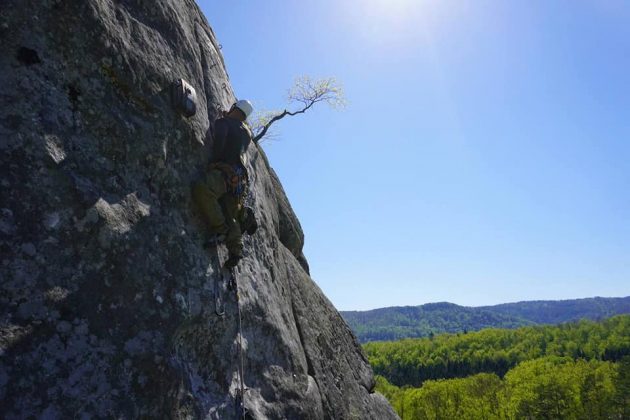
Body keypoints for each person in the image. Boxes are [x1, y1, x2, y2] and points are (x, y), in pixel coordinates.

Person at [192, 99, 257, 268]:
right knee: (231, 213)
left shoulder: (223, 122)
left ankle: (220, 228)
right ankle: (236, 251)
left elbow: (220, 144)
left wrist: (213, 163)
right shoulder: (247, 133)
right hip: (240, 178)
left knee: (203, 189)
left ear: (234, 108)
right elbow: (236, 138)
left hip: (224, 171)